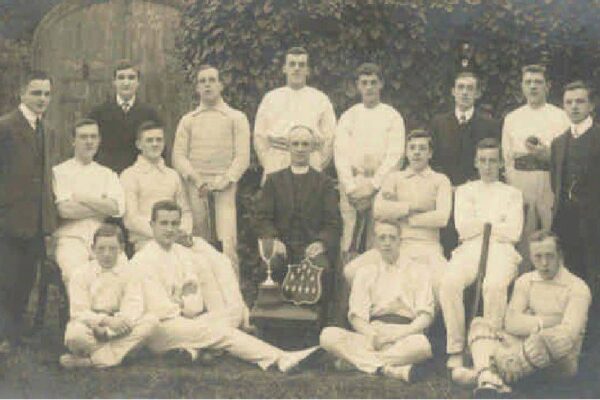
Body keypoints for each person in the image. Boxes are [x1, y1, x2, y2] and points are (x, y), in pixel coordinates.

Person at [133, 200, 320, 372]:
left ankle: (192, 351)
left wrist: (185, 301)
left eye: (174, 224)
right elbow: (161, 310)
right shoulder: (143, 260)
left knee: (231, 313)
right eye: (164, 223)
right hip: (162, 329)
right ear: (152, 225)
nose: (170, 229)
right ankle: (280, 358)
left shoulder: (181, 252)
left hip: (186, 321)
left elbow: (196, 297)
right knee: (222, 332)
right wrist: (185, 302)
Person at [121, 120, 249, 329]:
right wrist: (164, 234)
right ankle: (220, 324)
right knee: (201, 266)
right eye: (149, 140)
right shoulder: (130, 175)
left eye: (159, 140)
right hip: (149, 241)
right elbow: (131, 219)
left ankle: (238, 315)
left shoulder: (172, 175)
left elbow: (186, 211)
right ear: (139, 145)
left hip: (178, 238)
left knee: (221, 261)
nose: (155, 144)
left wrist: (183, 232)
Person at [452, 231, 591, 397]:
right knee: (480, 324)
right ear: (531, 257)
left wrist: (529, 326)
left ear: (560, 256)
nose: (544, 263)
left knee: (545, 342)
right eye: (538, 257)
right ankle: (492, 378)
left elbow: (567, 335)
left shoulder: (577, 288)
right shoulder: (525, 281)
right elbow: (510, 322)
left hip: (558, 358)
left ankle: (485, 375)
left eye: (549, 256)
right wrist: (549, 320)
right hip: (521, 346)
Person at [439, 138, 523, 371]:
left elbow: (513, 232)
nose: (487, 166)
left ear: (501, 164)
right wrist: (495, 223)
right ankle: (456, 348)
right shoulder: (465, 191)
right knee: (449, 283)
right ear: (476, 162)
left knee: (494, 286)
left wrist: (483, 224)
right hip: (469, 247)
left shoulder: (513, 193)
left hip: (502, 250)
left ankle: (489, 349)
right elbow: (463, 228)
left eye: (493, 161)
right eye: (483, 161)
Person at [320, 221, 434, 383]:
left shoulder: (419, 271)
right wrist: (374, 336)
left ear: (400, 241)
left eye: (392, 238)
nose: (387, 243)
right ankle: (388, 368)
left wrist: (397, 334)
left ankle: (357, 362)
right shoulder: (365, 272)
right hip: (372, 335)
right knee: (328, 335)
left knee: (421, 345)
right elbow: (356, 316)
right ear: (375, 243)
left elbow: (425, 316)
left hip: (405, 335)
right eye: (382, 238)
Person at [0, 70, 62, 353]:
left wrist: (47, 220)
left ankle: (16, 330)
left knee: (27, 277)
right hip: (9, 217)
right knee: (7, 278)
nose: (42, 99)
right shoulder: (6, 127)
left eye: (47, 94)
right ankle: (5, 334)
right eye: (36, 93)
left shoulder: (46, 129)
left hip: (36, 219)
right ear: (22, 93)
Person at [254, 124, 341, 313]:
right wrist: (274, 240)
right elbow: (263, 218)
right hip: (282, 247)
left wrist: (321, 243)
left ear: (312, 148)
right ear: (288, 147)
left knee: (322, 269)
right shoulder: (274, 180)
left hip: (311, 248)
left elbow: (333, 223)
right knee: (269, 267)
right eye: (295, 144)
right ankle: (270, 324)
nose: (300, 149)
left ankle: (317, 326)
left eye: (305, 144)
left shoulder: (324, 183)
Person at [172, 65, 250, 271]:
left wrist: (224, 181)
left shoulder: (236, 118)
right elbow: (178, 157)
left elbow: (242, 158)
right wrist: (197, 180)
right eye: (202, 81)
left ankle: (232, 295)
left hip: (224, 189)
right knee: (198, 243)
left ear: (221, 85)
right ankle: (201, 296)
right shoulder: (188, 120)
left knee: (227, 243)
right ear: (197, 88)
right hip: (196, 189)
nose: (207, 85)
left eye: (212, 80)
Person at [59, 224, 158, 369]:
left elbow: (133, 306)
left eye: (112, 249)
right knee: (74, 335)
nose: (107, 254)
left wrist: (113, 328)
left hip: (120, 327)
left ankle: (92, 361)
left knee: (151, 322)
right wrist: (105, 321)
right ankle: (118, 353)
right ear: (93, 249)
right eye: (101, 249)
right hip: (92, 326)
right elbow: (79, 312)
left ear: (122, 249)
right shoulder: (80, 274)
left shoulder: (131, 272)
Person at [334, 62, 405, 254]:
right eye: (364, 83)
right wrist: (350, 187)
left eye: (373, 82)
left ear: (381, 84)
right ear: (357, 86)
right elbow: (340, 155)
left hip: (381, 187)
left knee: (380, 238)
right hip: (353, 188)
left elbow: (395, 156)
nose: (369, 87)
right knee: (350, 239)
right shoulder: (349, 116)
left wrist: (373, 186)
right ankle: (350, 282)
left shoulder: (392, 117)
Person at [429, 71, 501, 257]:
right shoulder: (439, 123)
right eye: (460, 87)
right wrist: (446, 185)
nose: (465, 92)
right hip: (446, 193)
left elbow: (492, 161)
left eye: (470, 88)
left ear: (477, 93)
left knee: (474, 243)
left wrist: (470, 185)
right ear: (453, 91)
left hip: (478, 194)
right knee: (446, 243)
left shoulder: (489, 125)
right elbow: (433, 160)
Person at [372, 129, 451, 293]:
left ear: (430, 154)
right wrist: (410, 207)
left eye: (422, 148)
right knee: (354, 272)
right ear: (406, 152)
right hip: (396, 243)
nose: (416, 152)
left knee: (441, 282)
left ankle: (427, 318)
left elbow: (442, 218)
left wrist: (405, 218)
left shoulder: (440, 180)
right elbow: (378, 209)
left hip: (428, 245)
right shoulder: (394, 178)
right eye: (412, 148)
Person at [53, 119, 125, 285]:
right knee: (76, 276)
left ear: (99, 140)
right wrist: (102, 205)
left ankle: (110, 310)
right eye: (83, 137)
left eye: (93, 137)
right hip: (71, 237)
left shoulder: (108, 174)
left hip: (103, 237)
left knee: (123, 272)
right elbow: (65, 210)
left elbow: (117, 208)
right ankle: (80, 311)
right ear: (73, 141)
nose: (89, 141)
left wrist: (82, 198)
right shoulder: (60, 172)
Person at [502, 64, 570, 237]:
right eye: (528, 82)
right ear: (522, 86)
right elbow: (507, 159)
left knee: (551, 234)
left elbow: (567, 157)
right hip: (520, 184)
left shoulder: (561, 116)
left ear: (547, 86)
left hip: (549, 183)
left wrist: (548, 155)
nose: (533, 86)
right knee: (523, 235)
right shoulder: (512, 118)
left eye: (538, 82)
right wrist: (514, 190)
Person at [254, 46, 336, 180]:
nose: (297, 68)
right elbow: (260, 136)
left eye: (301, 65)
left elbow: (329, 137)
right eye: (292, 64)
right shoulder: (271, 98)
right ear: (284, 69)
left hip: (310, 161)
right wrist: (270, 163)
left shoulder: (320, 98)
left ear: (308, 70)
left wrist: (317, 162)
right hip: (277, 160)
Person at [550, 80, 600, 296]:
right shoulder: (559, 143)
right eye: (568, 102)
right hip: (566, 219)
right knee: (570, 275)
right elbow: (556, 181)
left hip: (595, 220)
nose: (574, 107)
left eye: (580, 101)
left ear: (592, 106)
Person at [88, 59, 162, 174]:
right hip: (107, 175)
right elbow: (90, 146)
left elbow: (159, 148)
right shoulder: (99, 113)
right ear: (114, 82)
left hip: (141, 175)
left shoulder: (150, 114)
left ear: (138, 82)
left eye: (131, 78)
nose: (126, 83)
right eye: (121, 78)